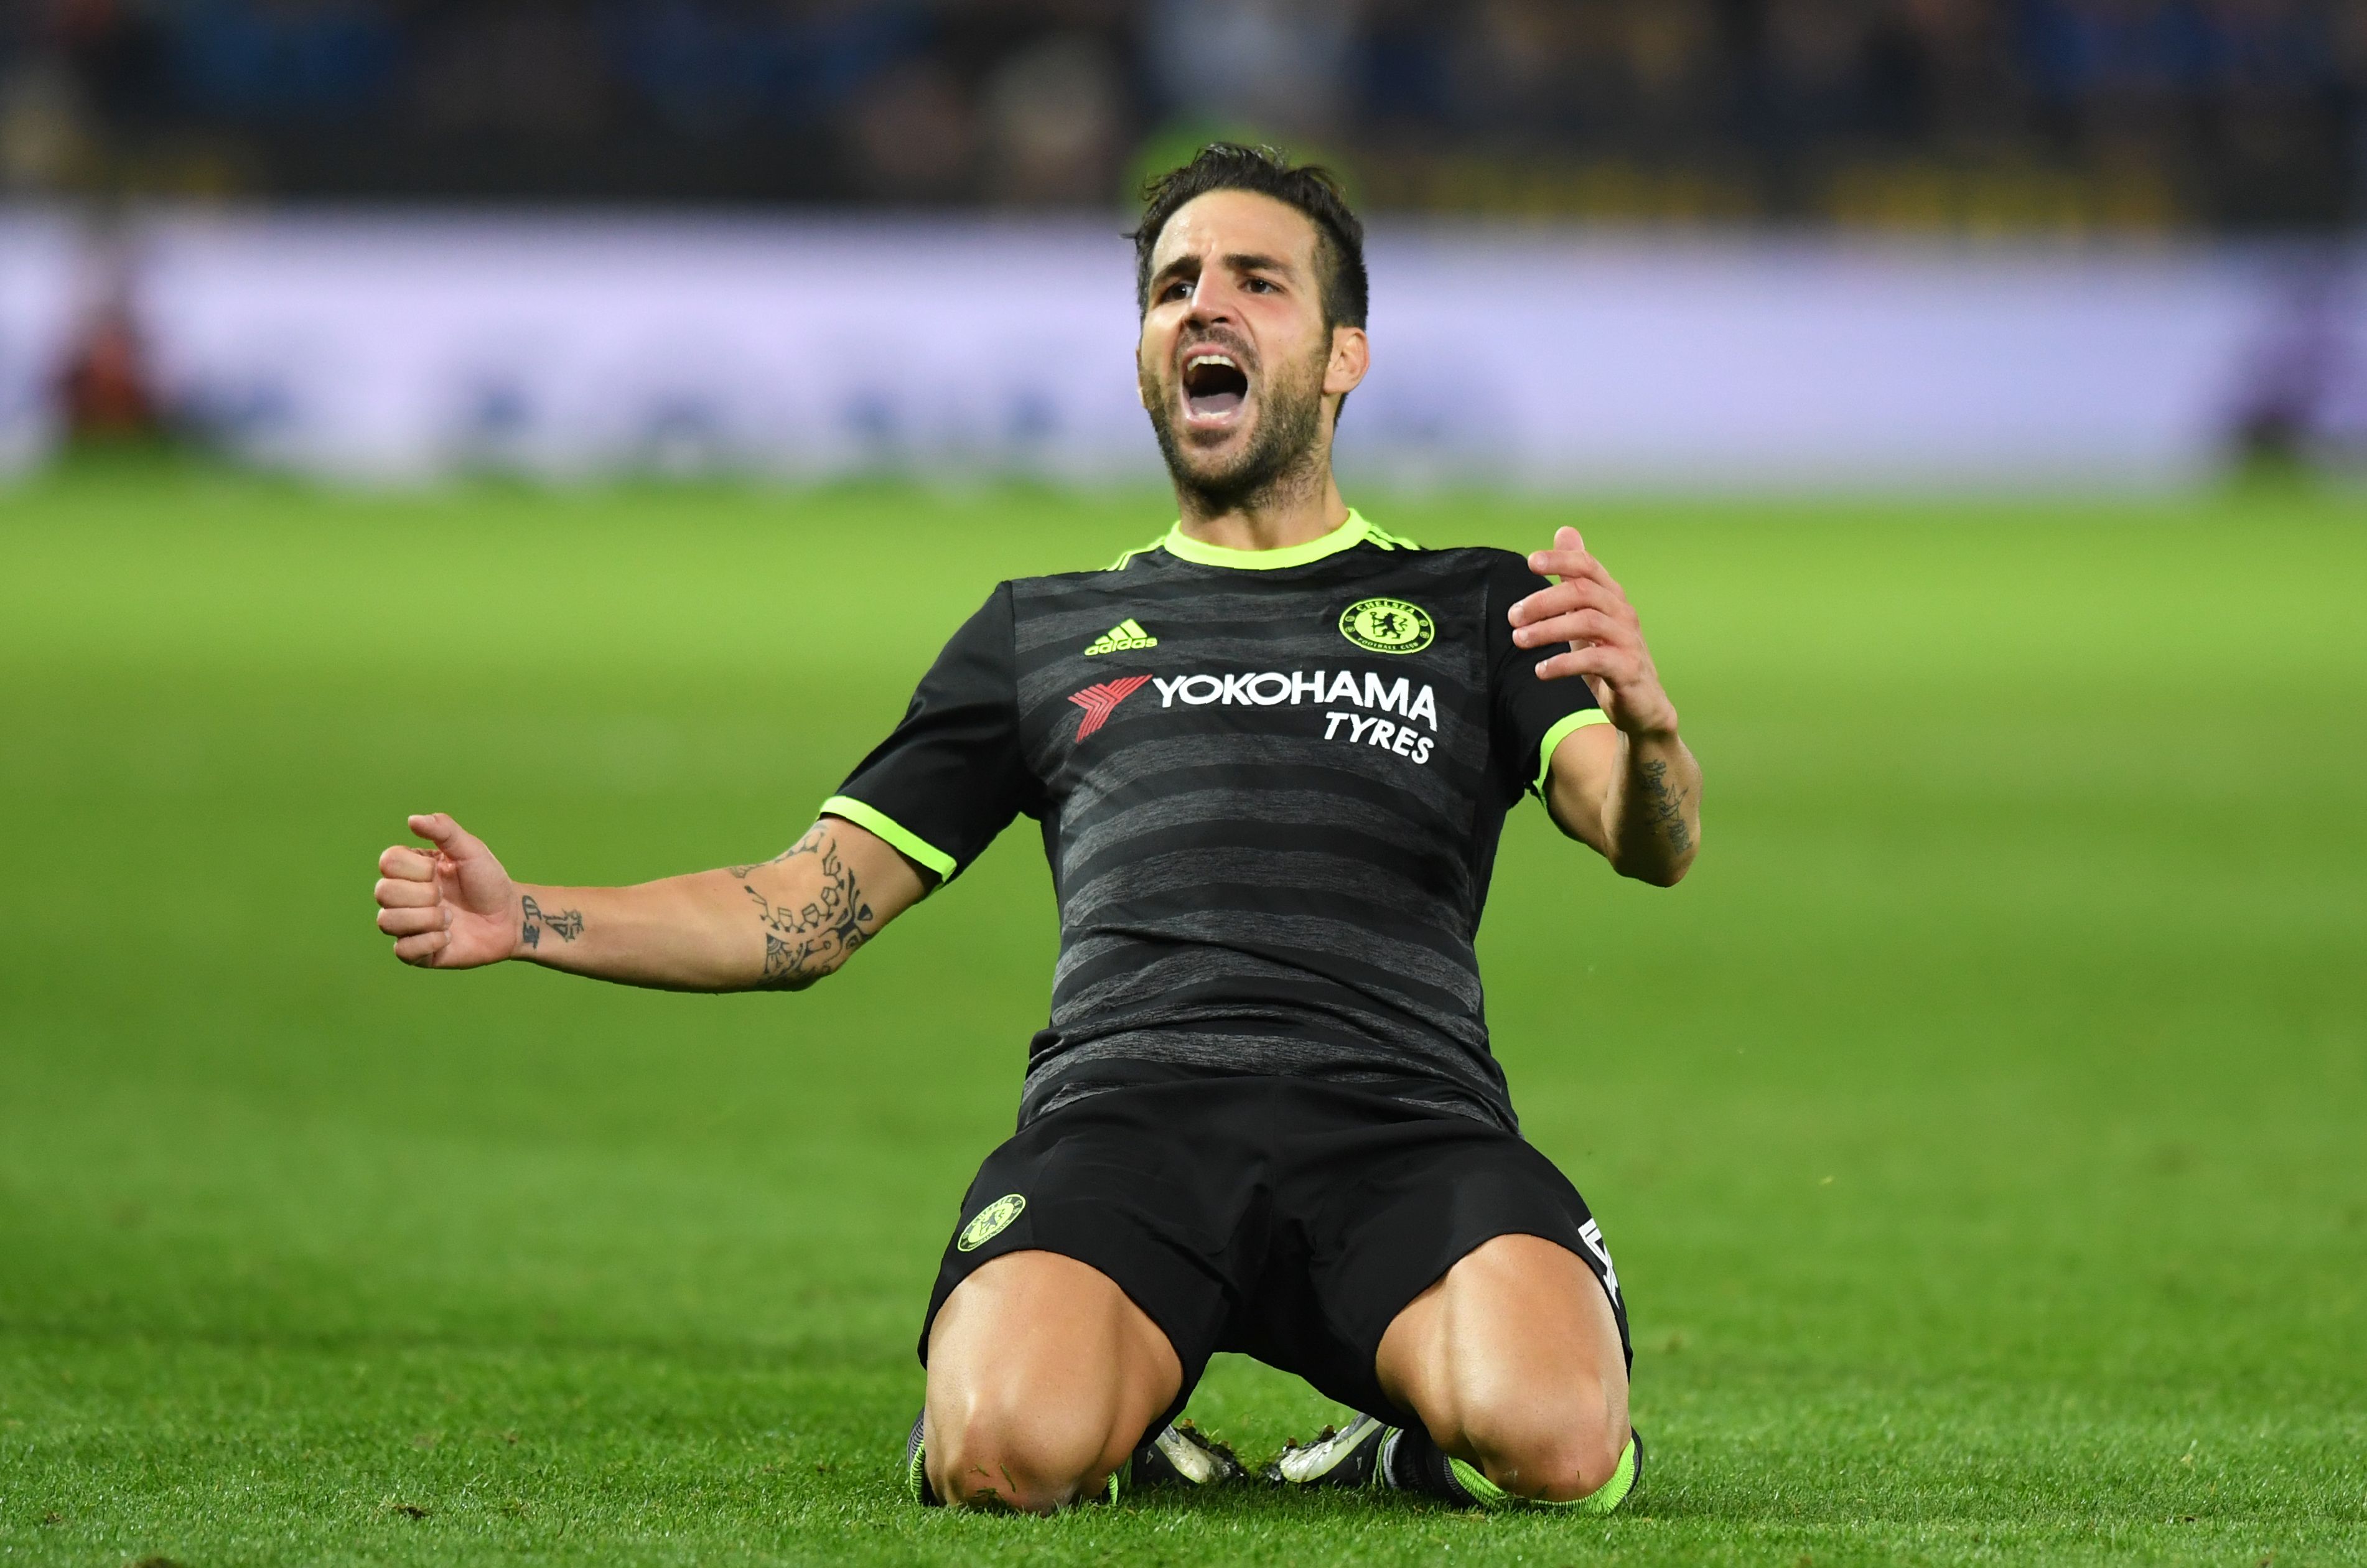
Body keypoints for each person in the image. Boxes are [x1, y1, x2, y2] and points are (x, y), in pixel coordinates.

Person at [371, 143, 1701, 1516]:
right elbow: (802, 909)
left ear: (1344, 354)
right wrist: (526, 916)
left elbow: (1644, 831)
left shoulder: (1476, 605)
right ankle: (1112, 1416)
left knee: (1557, 1444)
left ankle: (1398, 1443)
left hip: (1406, 1125)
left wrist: (1654, 735)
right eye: (1175, 285)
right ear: (1144, 353)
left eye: (1257, 280)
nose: (1206, 307)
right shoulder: (1039, 632)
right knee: (1001, 1453)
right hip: (1128, 1126)